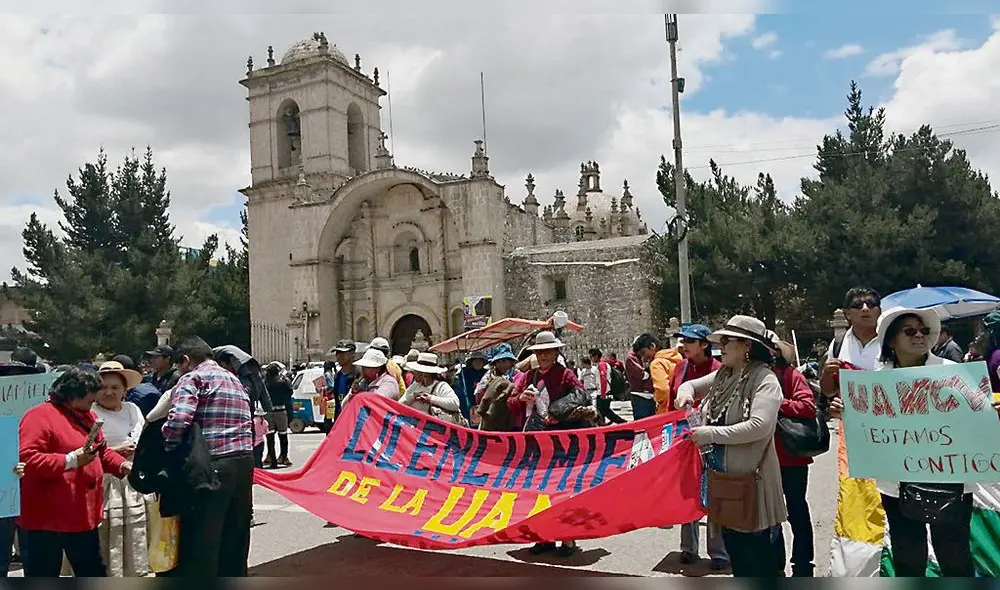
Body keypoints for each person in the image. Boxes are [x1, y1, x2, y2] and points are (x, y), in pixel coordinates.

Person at [675, 315, 787, 578]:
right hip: (725, 483)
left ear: (747, 346)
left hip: (753, 486)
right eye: (721, 340)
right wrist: (685, 393)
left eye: (728, 341)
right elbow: (690, 385)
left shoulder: (764, 379)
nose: (721, 346)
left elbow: (759, 426)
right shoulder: (725, 374)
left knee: (758, 562)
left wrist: (710, 434)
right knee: (738, 559)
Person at [871, 306, 975, 577]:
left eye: (924, 330)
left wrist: (987, 413)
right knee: (908, 558)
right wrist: (843, 409)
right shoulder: (876, 381)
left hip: (951, 479)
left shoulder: (953, 372)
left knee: (955, 557)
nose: (919, 336)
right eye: (910, 331)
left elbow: (974, 421)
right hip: (897, 483)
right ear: (891, 340)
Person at [18, 367, 132, 577]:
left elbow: (101, 453)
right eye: (89, 400)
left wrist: (123, 465)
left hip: (81, 516)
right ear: (72, 396)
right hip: (48, 518)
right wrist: (70, 460)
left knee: (93, 572)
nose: (93, 404)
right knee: (43, 573)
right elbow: (29, 459)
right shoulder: (39, 416)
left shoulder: (87, 416)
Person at [163, 337, 254, 577]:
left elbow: (179, 419)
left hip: (212, 463)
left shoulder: (193, 378)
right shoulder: (233, 379)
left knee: (203, 540)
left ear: (185, 360)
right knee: (235, 537)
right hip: (243, 463)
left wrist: (168, 444)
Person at [506, 331, 597, 557]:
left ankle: (567, 538)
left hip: (562, 441)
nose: (544, 356)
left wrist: (560, 413)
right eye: (540, 352)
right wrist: (521, 399)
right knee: (538, 490)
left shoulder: (565, 375)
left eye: (548, 351)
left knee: (563, 490)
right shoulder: (529, 377)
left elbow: (581, 396)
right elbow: (510, 403)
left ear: (556, 353)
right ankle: (542, 536)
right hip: (536, 441)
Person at [670, 324, 727, 569]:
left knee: (714, 494)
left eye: (689, 341)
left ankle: (719, 552)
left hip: (711, 440)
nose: (683, 346)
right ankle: (688, 548)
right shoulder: (680, 369)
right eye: (682, 341)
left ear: (704, 344)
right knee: (688, 493)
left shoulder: (719, 371)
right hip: (684, 441)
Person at [767, 335, 817, 577]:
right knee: (770, 514)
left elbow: (807, 406)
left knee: (796, 510)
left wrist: (777, 403)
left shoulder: (791, 375)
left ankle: (803, 562)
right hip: (766, 457)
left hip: (791, 457)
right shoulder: (755, 375)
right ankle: (776, 563)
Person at [92, 361, 149, 577]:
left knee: (136, 535)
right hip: (106, 482)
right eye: (103, 387)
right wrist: (117, 450)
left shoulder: (133, 409)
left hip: (133, 481)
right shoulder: (91, 413)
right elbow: (85, 450)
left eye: (115, 387)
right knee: (108, 536)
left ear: (125, 390)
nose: (109, 392)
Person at [400, 353, 462, 419]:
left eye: (416, 371)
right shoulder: (415, 386)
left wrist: (431, 399)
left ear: (424, 374)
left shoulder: (441, 386)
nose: (413, 373)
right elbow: (400, 404)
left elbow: (455, 404)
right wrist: (413, 396)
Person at [263, 363, 293, 468]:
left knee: (270, 437)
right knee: (283, 436)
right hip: (281, 410)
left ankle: (272, 461)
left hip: (269, 412)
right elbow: (290, 392)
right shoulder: (283, 382)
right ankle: (284, 457)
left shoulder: (265, 384)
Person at [325, 341, 359, 429]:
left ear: (352, 354)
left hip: (355, 421)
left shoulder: (359, 374)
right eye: (337, 353)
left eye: (342, 353)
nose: (338, 356)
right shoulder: (337, 376)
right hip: (341, 421)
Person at [589, 349, 626, 424]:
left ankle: (621, 422)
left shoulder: (601, 364)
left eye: (591, 356)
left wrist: (603, 393)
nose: (590, 359)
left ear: (596, 356)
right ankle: (603, 426)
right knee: (602, 410)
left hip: (604, 392)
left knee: (604, 410)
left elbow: (603, 379)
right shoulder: (602, 364)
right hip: (604, 391)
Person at [625, 335, 657, 420]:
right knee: (642, 424)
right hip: (640, 395)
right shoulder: (631, 358)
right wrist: (651, 372)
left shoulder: (640, 358)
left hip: (648, 395)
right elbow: (642, 375)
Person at [456, 351, 488, 422]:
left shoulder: (487, 373)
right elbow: (462, 389)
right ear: (472, 362)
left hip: (483, 403)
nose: (478, 363)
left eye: (480, 361)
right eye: (476, 360)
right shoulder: (465, 372)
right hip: (468, 401)